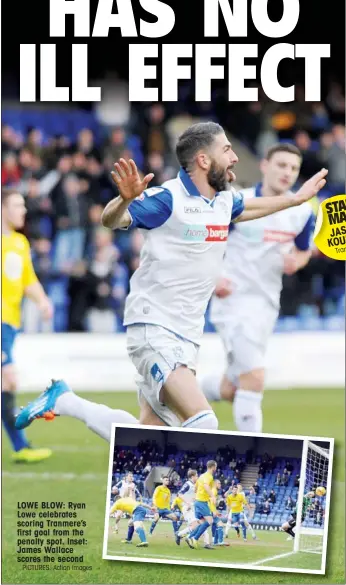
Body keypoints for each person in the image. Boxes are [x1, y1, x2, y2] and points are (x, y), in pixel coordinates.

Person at [15, 124, 328, 439]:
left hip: (187, 334)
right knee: (204, 422)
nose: (234, 158)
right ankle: (250, 470)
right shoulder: (168, 199)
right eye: (227, 150)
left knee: (149, 436)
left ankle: (65, 401)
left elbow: (250, 207)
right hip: (155, 326)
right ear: (204, 160)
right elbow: (112, 219)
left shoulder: (222, 200)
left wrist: (295, 200)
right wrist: (123, 200)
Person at [202, 142, 317, 433]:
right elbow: (207, 242)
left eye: (293, 168)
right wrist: (214, 277)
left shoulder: (302, 213)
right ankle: (253, 461)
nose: (287, 172)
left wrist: (298, 262)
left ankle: (179, 393)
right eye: (281, 165)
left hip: (266, 305)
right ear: (264, 165)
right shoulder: (239, 202)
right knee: (254, 378)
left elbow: (303, 250)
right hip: (233, 303)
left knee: (232, 389)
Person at [1, 190, 54, 463]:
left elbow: (27, 279)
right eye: (16, 205)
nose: (23, 210)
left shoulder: (20, 242)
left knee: (6, 383)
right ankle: (21, 446)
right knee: (8, 379)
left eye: (23, 205)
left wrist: (43, 301)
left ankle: (21, 447)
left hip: (10, 323)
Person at [186, 460, 217, 549]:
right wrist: (212, 496)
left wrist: (199, 494)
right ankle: (195, 538)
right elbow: (206, 486)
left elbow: (195, 488)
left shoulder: (201, 476)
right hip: (202, 502)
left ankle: (189, 537)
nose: (216, 468)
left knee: (202, 522)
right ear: (213, 467)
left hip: (197, 501)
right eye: (215, 466)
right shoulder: (209, 476)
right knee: (210, 521)